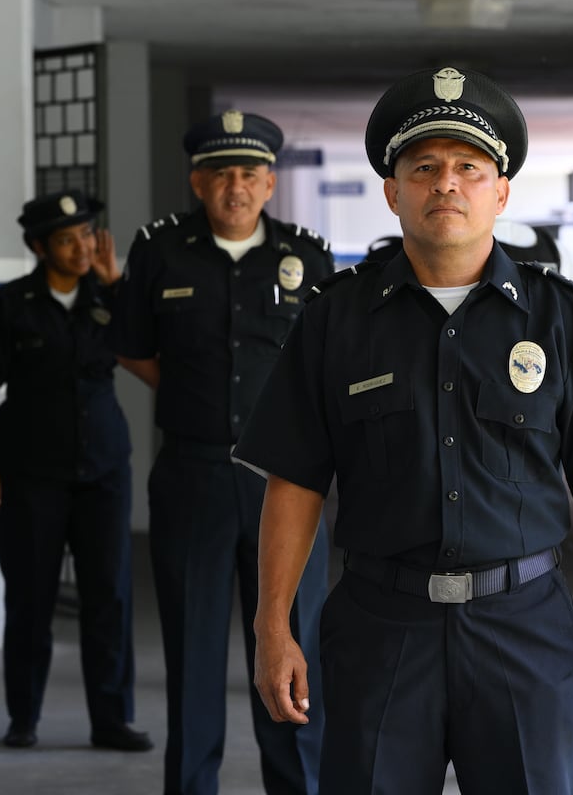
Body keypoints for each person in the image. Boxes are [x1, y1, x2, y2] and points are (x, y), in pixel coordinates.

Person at [234, 66, 573, 794]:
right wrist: (272, 628)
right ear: (393, 190)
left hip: (522, 629)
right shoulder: (334, 319)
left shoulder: (563, 317)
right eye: (425, 167)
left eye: (470, 168)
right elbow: (295, 481)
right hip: (381, 630)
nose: (447, 184)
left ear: (500, 192)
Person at [108, 110, 334, 794]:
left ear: (269, 184)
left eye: (249, 174)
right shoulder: (160, 251)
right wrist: (188, 395)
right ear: (197, 183)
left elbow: (329, 366)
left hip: (287, 482)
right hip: (193, 474)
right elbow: (132, 347)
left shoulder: (308, 257)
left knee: (294, 647)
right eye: (221, 174)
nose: (235, 186)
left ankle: (298, 785)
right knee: (192, 650)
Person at [0, 190, 152, 752]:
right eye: (66, 239)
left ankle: (112, 720)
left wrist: (116, 282)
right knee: (30, 598)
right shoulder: (10, 305)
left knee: (110, 596)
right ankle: (22, 718)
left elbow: (146, 346)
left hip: (103, 470)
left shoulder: (109, 296)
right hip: (30, 473)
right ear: (38, 247)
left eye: (85, 234)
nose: (80, 247)